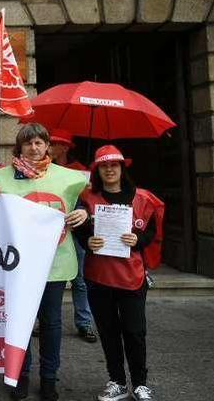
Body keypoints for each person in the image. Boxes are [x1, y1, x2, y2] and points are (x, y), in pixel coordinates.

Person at [0, 123, 88, 401]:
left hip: (56, 263)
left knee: (52, 323)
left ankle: (49, 378)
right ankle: (20, 375)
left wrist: (83, 213)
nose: (34, 148)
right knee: (21, 322)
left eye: (39, 143)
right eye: (28, 143)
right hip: (17, 266)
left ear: (48, 146)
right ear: (19, 147)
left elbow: (84, 203)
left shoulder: (71, 177)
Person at [74, 145, 163, 401]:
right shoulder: (87, 199)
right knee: (108, 331)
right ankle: (117, 381)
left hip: (131, 277)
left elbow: (152, 232)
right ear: (97, 170)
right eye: (104, 165)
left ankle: (140, 383)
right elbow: (78, 228)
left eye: (114, 164)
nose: (109, 169)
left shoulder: (143, 199)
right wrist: (86, 240)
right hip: (98, 277)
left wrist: (138, 239)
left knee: (135, 331)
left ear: (122, 168)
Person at [48, 129, 97, 343]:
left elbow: (88, 203)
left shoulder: (80, 171)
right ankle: (45, 320)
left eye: (54, 143)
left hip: (75, 233)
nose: (49, 147)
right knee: (48, 281)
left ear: (65, 147)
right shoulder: (43, 170)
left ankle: (84, 323)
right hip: (51, 235)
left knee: (80, 281)